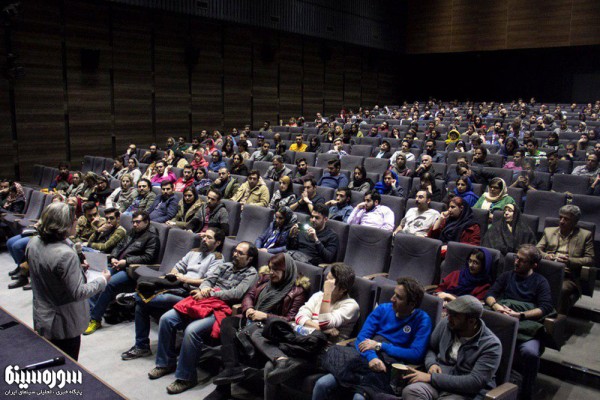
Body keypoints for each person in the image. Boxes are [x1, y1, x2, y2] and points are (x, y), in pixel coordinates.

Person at [149, 242, 258, 395]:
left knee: (192, 330)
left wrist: (211, 293)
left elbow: (237, 293)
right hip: (203, 301)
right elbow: (208, 279)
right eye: (235, 251)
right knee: (167, 319)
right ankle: (165, 363)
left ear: (250, 258)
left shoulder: (251, 274)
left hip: (222, 309)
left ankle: (186, 377)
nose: (235, 254)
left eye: (241, 253)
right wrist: (205, 287)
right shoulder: (225, 266)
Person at [208, 253, 310, 399]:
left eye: (276, 270)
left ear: (286, 271)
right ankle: (231, 370)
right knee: (227, 323)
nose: (271, 272)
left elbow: (290, 320)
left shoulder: (297, 291)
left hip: (270, 329)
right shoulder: (265, 279)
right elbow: (249, 295)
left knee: (231, 344)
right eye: (270, 268)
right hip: (252, 319)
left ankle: (223, 387)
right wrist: (249, 308)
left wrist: (266, 316)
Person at [312, 277, 432, 400]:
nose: (392, 299)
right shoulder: (383, 309)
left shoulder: (422, 320)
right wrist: (372, 357)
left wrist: (381, 346)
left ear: (412, 304)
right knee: (322, 384)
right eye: (394, 294)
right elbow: (362, 338)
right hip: (363, 356)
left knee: (359, 398)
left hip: (386, 366)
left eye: (399, 297)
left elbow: (416, 354)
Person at [120, 228, 225, 361]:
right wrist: (173, 275)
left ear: (217, 243)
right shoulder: (194, 252)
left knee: (150, 300)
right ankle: (141, 346)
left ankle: (133, 297)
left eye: (209, 238)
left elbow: (209, 281)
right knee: (142, 304)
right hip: (177, 285)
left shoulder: (218, 259)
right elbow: (178, 267)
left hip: (192, 294)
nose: (204, 239)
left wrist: (185, 279)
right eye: (204, 236)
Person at [27, 202, 111, 360]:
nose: (77, 221)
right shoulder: (65, 255)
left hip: (42, 313)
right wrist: (102, 280)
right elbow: (78, 293)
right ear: (64, 224)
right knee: (66, 365)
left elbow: (48, 271)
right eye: (74, 219)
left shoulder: (33, 242)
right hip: (62, 322)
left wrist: (76, 269)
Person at [485, 244, 554, 400]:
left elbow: (546, 307)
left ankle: (526, 393)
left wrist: (521, 315)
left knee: (530, 353)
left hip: (526, 324)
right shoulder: (507, 276)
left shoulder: (540, 281)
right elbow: (490, 294)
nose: (516, 262)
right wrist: (496, 307)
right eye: (516, 258)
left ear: (533, 265)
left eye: (522, 260)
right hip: (504, 320)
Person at [402, 295, 502, 400]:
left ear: (471, 321)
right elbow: (431, 348)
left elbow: (474, 382)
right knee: (411, 391)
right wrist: (431, 364)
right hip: (438, 382)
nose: (448, 318)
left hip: (466, 392)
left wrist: (432, 378)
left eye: (455, 316)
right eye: (449, 313)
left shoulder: (491, 345)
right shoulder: (447, 324)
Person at [84, 211, 160, 335]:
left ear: (146, 222)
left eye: (138, 222)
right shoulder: (133, 232)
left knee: (109, 284)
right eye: (133, 222)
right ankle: (89, 314)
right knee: (98, 278)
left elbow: (148, 258)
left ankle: (95, 319)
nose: (134, 225)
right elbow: (119, 246)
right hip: (117, 264)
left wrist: (126, 262)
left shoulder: (152, 237)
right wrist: (114, 257)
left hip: (132, 270)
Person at [537, 205, 595, 314]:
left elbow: (590, 259)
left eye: (566, 219)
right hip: (548, 271)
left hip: (568, 276)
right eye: (560, 217)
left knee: (561, 289)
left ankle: (557, 318)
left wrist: (570, 261)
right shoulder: (549, 231)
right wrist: (546, 256)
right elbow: (537, 250)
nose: (562, 221)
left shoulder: (585, 235)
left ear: (575, 221)